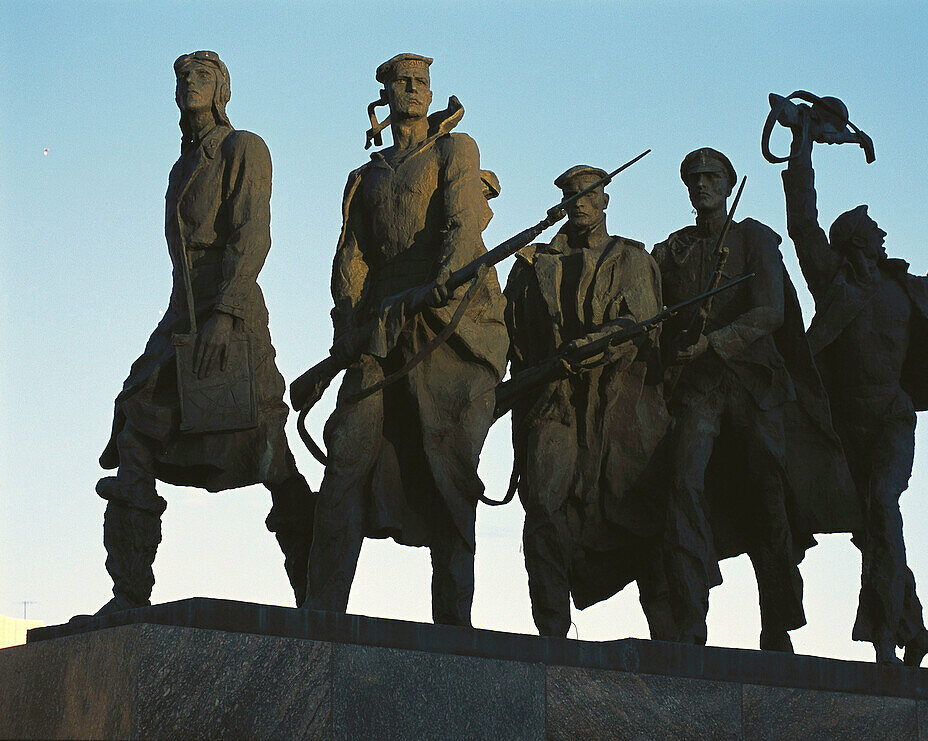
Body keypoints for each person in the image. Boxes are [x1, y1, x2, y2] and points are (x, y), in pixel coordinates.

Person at [780, 121, 928, 665]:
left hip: (891, 419)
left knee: (882, 508)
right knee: (873, 526)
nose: (884, 236)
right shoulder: (834, 284)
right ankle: (914, 626)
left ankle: (883, 632)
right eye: (875, 231)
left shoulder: (905, 289)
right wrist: (803, 144)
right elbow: (802, 223)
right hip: (840, 429)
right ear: (855, 242)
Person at [94, 50, 315, 614]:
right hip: (180, 312)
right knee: (136, 421)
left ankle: (317, 597)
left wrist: (225, 313)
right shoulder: (180, 166)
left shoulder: (244, 148)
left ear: (223, 89)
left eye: (203, 75)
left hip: (230, 309)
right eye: (182, 76)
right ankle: (129, 598)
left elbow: (253, 233)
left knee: (270, 452)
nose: (191, 83)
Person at [303, 54, 508, 626]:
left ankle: (454, 627)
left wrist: (442, 278)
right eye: (404, 83)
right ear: (386, 97)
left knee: (449, 473)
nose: (415, 91)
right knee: (346, 457)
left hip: (447, 328)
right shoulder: (364, 177)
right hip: (378, 329)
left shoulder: (454, 149)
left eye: (422, 83)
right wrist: (348, 330)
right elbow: (351, 260)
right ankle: (320, 616)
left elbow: (462, 224)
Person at [652, 148, 855, 649]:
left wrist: (714, 342)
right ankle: (689, 618)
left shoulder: (755, 238)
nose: (702, 185)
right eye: (694, 178)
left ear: (728, 182)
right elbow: (655, 313)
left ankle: (778, 622)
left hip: (753, 384)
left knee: (768, 494)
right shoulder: (670, 249)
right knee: (682, 482)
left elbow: (771, 313)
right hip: (698, 389)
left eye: (711, 176)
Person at [504, 165, 671, 637]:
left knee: (642, 512)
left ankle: (670, 634)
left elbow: (643, 322)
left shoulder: (631, 259)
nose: (579, 201)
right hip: (553, 403)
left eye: (588, 194)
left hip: (618, 404)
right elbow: (508, 333)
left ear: (604, 202)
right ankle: (552, 631)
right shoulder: (534, 263)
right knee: (543, 509)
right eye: (571, 195)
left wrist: (601, 340)